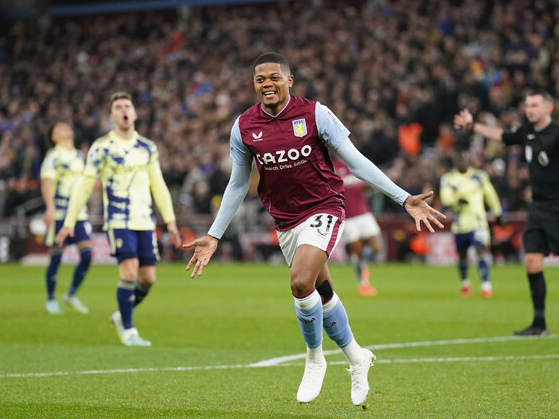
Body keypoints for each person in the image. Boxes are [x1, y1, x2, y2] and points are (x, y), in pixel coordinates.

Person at [183, 52, 445, 406]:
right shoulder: (243, 126)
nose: (267, 84)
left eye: (274, 77)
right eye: (260, 79)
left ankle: (314, 359)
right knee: (322, 292)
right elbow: (238, 184)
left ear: (289, 81)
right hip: (285, 221)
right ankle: (357, 357)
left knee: (299, 282)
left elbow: (357, 163)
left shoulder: (315, 114)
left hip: (324, 208)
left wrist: (404, 198)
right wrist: (214, 234)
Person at [454, 90, 559, 336]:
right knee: (532, 262)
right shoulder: (527, 132)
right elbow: (501, 135)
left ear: (548, 108)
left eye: (534, 105)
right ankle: (539, 324)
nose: (529, 110)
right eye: (527, 105)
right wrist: (472, 127)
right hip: (537, 208)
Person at [57, 91, 181, 346]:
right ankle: (129, 330)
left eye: (127, 106)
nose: (124, 110)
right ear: (112, 115)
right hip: (118, 219)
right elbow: (85, 185)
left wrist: (170, 221)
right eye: (118, 107)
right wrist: (69, 222)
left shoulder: (147, 147)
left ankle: (120, 316)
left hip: (145, 220)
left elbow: (158, 185)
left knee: (148, 279)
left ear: (134, 113)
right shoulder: (102, 148)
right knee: (129, 271)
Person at [40, 122, 92, 315]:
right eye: (60, 128)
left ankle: (71, 294)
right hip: (60, 213)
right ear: (54, 137)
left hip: (79, 214)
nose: (66, 128)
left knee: (87, 255)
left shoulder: (79, 156)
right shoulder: (53, 157)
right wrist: (50, 209)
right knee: (56, 257)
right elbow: (46, 184)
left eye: (66, 126)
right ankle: (51, 299)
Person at [440, 149, 503, 299]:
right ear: (455, 162)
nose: (461, 163)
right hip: (460, 223)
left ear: (469, 161)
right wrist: (457, 200)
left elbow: (490, 194)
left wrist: (498, 212)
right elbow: (445, 198)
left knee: (480, 250)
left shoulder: (479, 176)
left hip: (477, 221)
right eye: (459, 160)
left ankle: (486, 286)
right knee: (462, 255)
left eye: (463, 160)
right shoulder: (448, 179)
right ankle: (465, 283)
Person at [332, 157, 381, 297]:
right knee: (357, 250)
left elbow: (366, 184)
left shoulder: (355, 163)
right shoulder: (332, 167)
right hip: (347, 217)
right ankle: (363, 282)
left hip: (363, 213)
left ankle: (362, 263)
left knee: (376, 247)